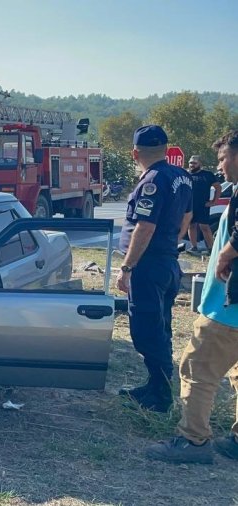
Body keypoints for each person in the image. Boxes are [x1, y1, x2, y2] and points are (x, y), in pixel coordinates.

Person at [145, 130, 238, 464]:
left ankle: (193, 442)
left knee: (197, 368)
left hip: (227, 309)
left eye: (223, 158)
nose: (220, 165)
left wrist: (227, 253)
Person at [116, 125, 193, 413]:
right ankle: (155, 384)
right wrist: (171, 244)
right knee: (161, 326)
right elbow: (188, 216)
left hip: (148, 265)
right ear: (166, 148)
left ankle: (161, 396)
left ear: (135, 152)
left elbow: (144, 227)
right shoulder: (181, 176)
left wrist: (127, 267)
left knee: (146, 329)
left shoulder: (153, 180)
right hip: (168, 261)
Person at [186, 154, 221, 254]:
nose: (192, 165)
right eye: (190, 163)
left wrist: (214, 201)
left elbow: (218, 187)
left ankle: (211, 249)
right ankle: (194, 247)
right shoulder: (186, 174)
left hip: (203, 206)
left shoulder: (207, 175)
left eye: (194, 163)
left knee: (204, 227)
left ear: (200, 164)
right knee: (191, 226)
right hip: (189, 205)